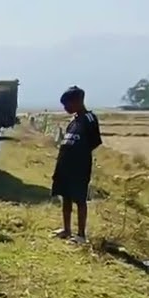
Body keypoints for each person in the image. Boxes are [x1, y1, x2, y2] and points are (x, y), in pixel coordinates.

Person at [51, 86, 102, 244]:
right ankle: (66, 229)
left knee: (79, 199)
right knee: (65, 197)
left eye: (68, 104)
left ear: (78, 101)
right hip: (64, 166)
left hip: (79, 168)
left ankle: (80, 235)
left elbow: (94, 142)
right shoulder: (73, 121)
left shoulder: (89, 118)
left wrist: (79, 156)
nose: (66, 108)